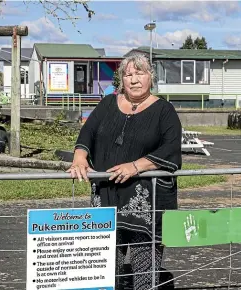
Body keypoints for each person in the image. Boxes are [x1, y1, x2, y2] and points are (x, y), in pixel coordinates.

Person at [67, 53, 182, 290]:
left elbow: (171, 148)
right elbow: (87, 133)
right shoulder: (107, 104)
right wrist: (79, 157)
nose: (134, 79)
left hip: (146, 206)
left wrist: (136, 166)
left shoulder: (164, 110)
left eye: (140, 73)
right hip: (107, 198)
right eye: (128, 74)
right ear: (121, 79)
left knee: (144, 272)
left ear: (151, 76)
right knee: (106, 269)